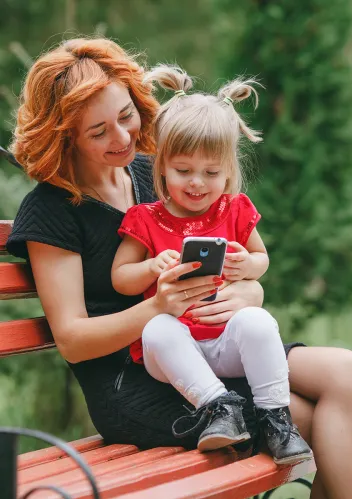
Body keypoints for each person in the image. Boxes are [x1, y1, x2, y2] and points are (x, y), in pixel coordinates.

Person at [6, 37, 352, 499]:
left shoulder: (155, 172)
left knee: (344, 372)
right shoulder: (52, 211)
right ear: (65, 135)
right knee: (311, 416)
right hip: (136, 381)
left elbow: (229, 250)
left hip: (207, 341)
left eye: (126, 117)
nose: (122, 138)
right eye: (98, 132)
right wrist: (157, 307)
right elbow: (73, 340)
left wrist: (248, 293)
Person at [111, 63, 313, 464]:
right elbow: (121, 279)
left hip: (224, 341)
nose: (197, 183)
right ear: (162, 167)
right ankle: (221, 408)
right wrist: (151, 268)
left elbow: (261, 259)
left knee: (258, 321)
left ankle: (276, 418)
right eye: (183, 171)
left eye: (211, 172)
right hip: (174, 355)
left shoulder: (234, 210)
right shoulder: (145, 219)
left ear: (229, 171)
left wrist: (247, 266)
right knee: (156, 327)